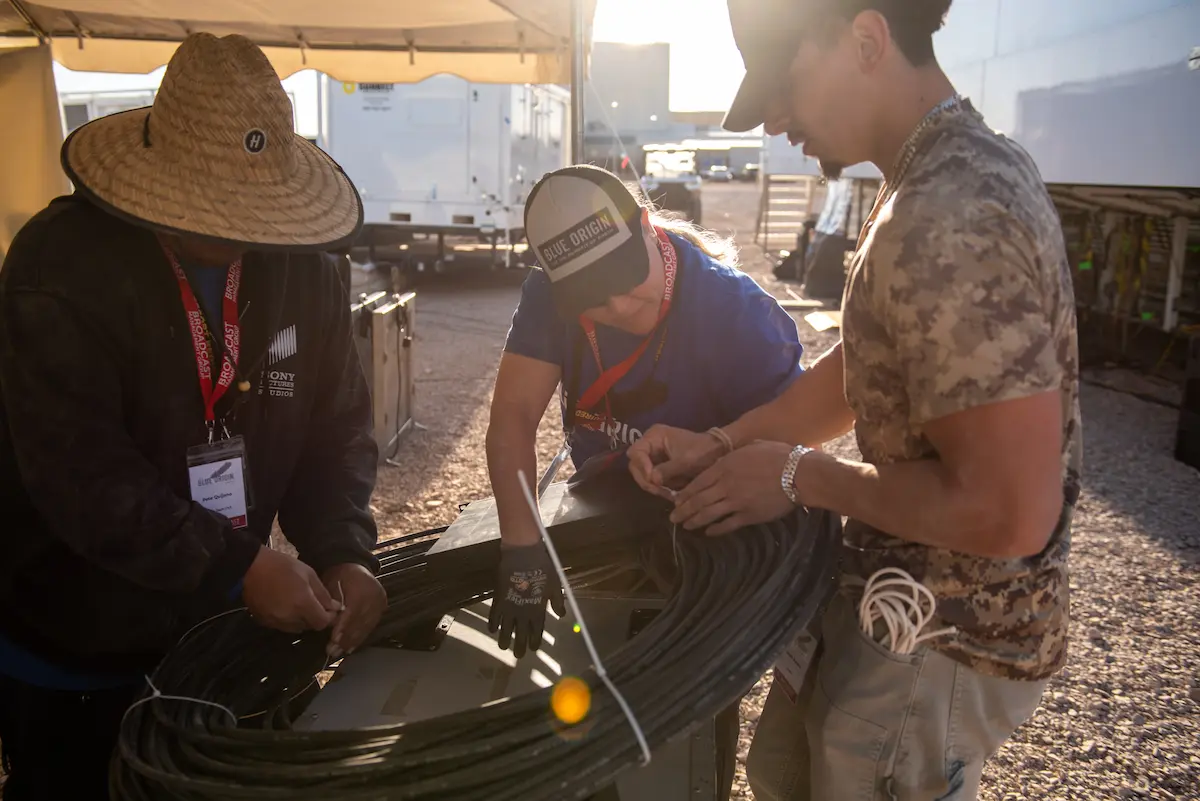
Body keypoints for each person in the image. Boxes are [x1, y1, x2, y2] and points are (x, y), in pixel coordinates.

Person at [628, 1, 1083, 799]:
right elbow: (874, 364)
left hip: (937, 635)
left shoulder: (948, 212)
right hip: (893, 611)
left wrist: (798, 476)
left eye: (784, 81)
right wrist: (728, 445)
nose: (775, 116)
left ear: (867, 40)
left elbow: (1010, 512)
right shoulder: (937, 173)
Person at [0, 33, 386, 800]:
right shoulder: (58, 266)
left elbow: (334, 427)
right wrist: (236, 565)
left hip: (210, 641)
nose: (241, 228)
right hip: (70, 643)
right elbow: (82, 474)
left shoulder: (308, 267)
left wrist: (344, 546)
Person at [483, 163, 806, 800]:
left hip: (715, 531)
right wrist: (521, 547)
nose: (619, 308)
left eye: (630, 288)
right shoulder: (548, 294)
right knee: (592, 665)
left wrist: (711, 454)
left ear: (648, 227)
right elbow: (514, 416)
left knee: (686, 699)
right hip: (603, 518)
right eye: (595, 301)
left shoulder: (737, 312)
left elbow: (794, 449)